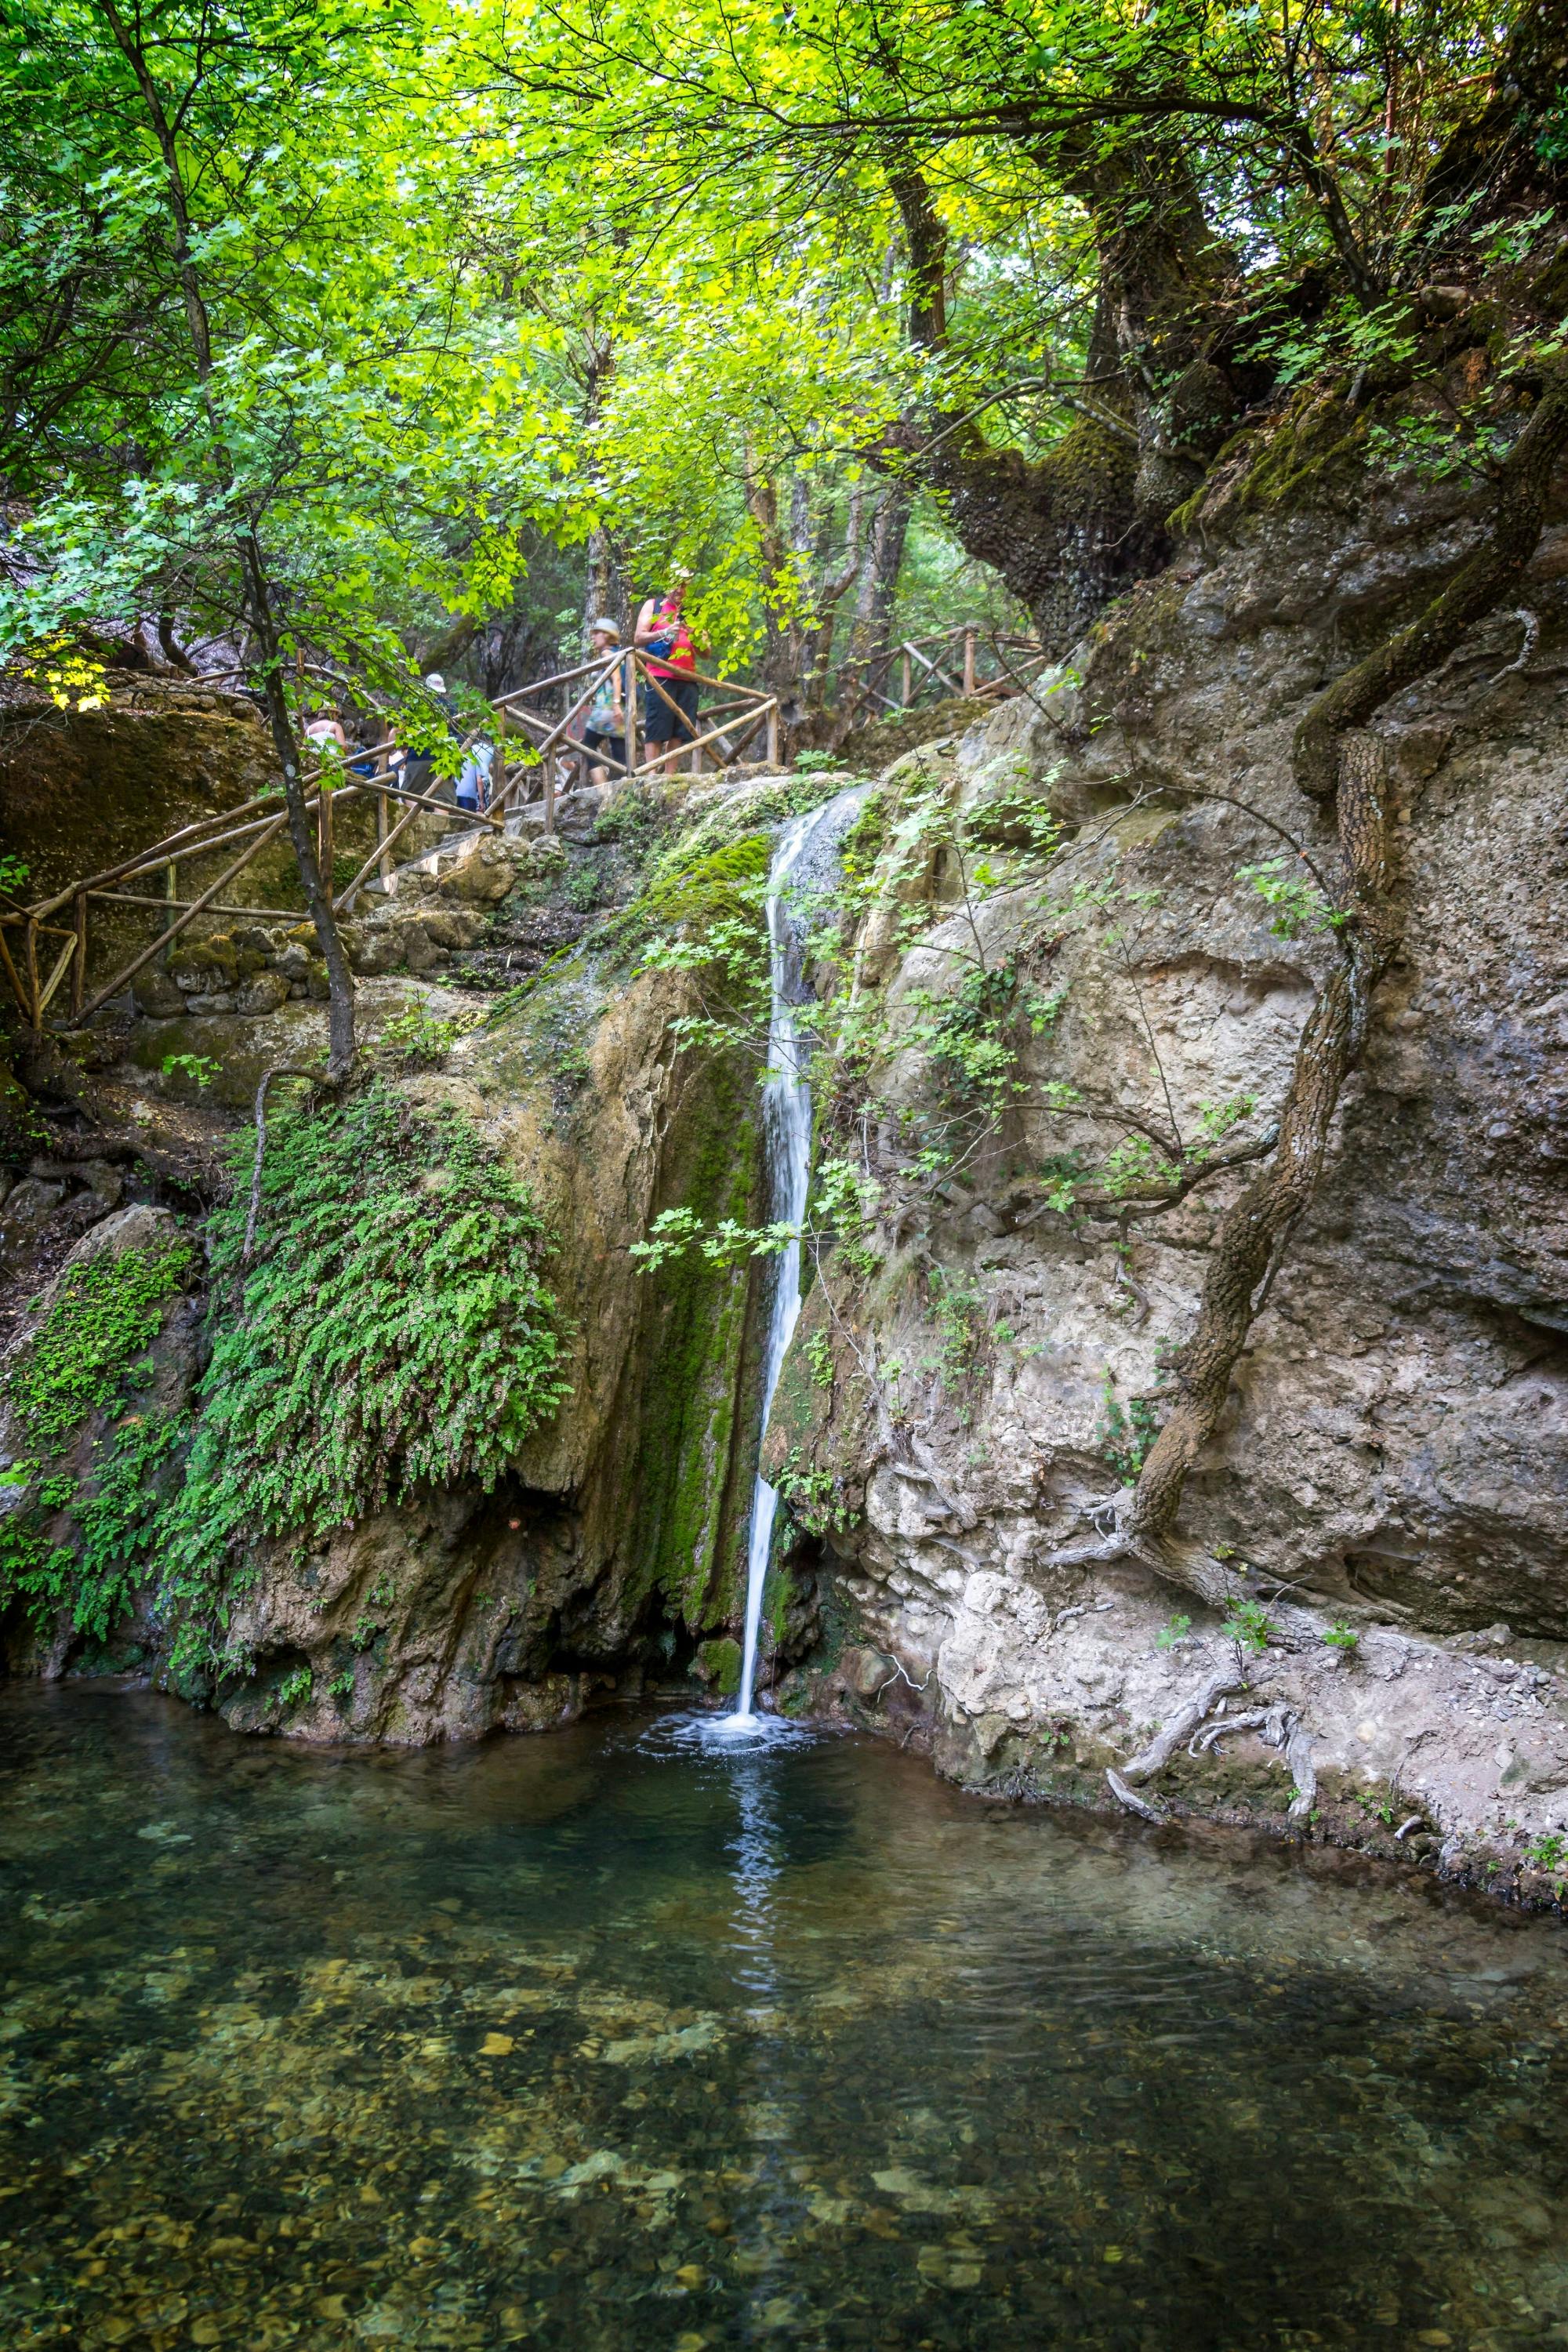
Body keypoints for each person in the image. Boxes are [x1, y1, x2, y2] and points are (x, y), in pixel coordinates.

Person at [633, 574, 701, 775]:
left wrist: (696, 636)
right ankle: (651, 775)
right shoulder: (654, 606)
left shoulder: (692, 612)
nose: (679, 590)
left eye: (683, 585)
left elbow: (706, 653)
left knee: (680, 730)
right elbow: (638, 638)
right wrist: (665, 632)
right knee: (657, 727)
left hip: (688, 678)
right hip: (660, 676)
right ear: (667, 585)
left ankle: (670, 776)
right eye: (676, 585)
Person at [582, 618, 630, 786]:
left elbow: (616, 678)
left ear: (607, 635)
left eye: (596, 633)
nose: (593, 637)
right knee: (619, 752)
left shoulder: (607, 653)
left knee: (587, 746)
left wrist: (615, 704)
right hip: (618, 709)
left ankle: (602, 791)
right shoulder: (619, 653)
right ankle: (627, 787)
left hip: (607, 708)